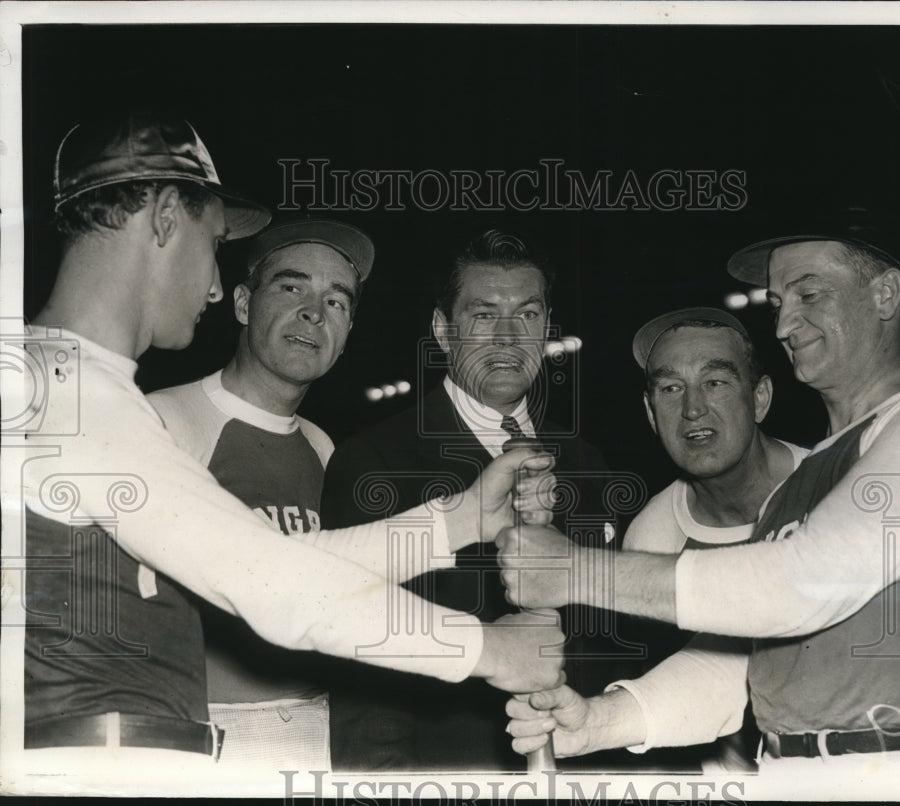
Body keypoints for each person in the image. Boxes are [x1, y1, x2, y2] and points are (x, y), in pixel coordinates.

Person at [17, 110, 565, 782]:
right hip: (98, 769)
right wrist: (486, 650)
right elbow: (275, 589)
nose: (215, 286)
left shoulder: (58, 382)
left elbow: (271, 559)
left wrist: (460, 520)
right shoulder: (71, 395)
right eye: (213, 244)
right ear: (164, 217)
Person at [500, 223, 900, 779]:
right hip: (793, 776)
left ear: (885, 294)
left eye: (809, 294)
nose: (783, 323)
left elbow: (803, 586)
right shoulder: (791, 492)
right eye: (777, 303)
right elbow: (739, 669)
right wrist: (600, 721)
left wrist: (577, 571)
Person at [321, 229, 622, 771]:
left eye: (527, 315)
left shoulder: (589, 462)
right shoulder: (375, 462)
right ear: (443, 329)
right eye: (484, 315)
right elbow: (361, 668)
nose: (508, 337)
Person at [505, 307, 809, 770]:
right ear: (650, 412)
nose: (692, 408)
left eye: (716, 382)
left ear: (760, 397)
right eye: (670, 388)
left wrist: (574, 570)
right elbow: (721, 669)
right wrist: (599, 721)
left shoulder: (833, 484)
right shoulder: (651, 537)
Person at [146, 219, 375, 769]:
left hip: (321, 726)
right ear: (244, 304)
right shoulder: (165, 420)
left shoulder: (324, 447)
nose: (314, 313)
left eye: (336, 302)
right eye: (292, 288)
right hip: (211, 733)